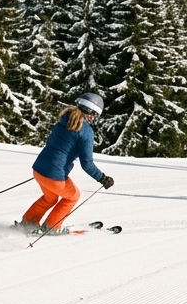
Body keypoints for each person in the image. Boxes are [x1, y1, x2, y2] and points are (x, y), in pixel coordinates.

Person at [19, 92, 115, 233]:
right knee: (73, 196)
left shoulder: (64, 120)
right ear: (90, 112)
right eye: (94, 115)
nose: (94, 118)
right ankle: (52, 227)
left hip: (39, 169)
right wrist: (102, 178)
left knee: (50, 198)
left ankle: (28, 222)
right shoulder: (86, 131)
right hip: (53, 175)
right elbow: (87, 163)